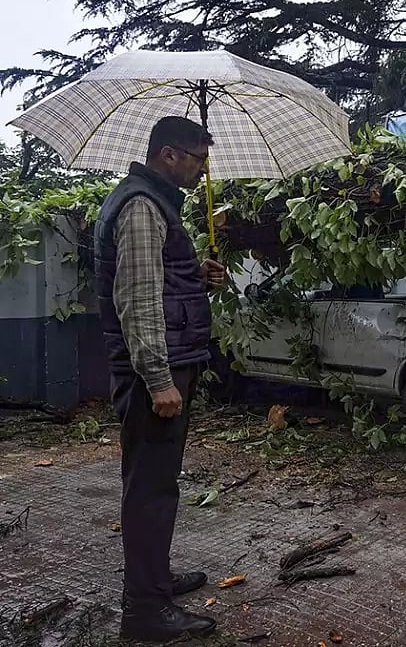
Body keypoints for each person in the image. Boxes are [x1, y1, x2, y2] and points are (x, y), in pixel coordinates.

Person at [93, 116, 225, 641]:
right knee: (150, 490)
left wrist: (198, 277)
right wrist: (158, 378)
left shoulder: (154, 203)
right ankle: (145, 612)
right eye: (197, 159)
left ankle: (155, 580)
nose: (201, 169)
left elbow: (162, 284)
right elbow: (138, 300)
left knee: (156, 484)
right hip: (156, 373)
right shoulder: (144, 207)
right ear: (168, 156)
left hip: (167, 365)